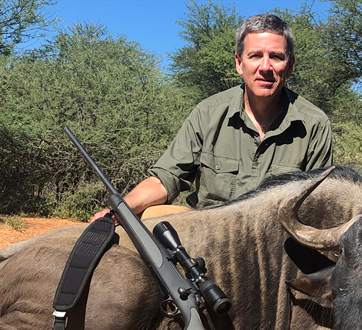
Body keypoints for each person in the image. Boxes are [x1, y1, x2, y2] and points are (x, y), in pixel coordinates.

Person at [92, 13, 333, 221]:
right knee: (145, 221)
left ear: (289, 66)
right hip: (211, 243)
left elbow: (319, 206)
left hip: (275, 251)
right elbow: (166, 178)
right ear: (240, 63)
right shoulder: (208, 113)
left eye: (276, 57)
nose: (265, 67)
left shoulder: (314, 124)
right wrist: (121, 209)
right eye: (255, 56)